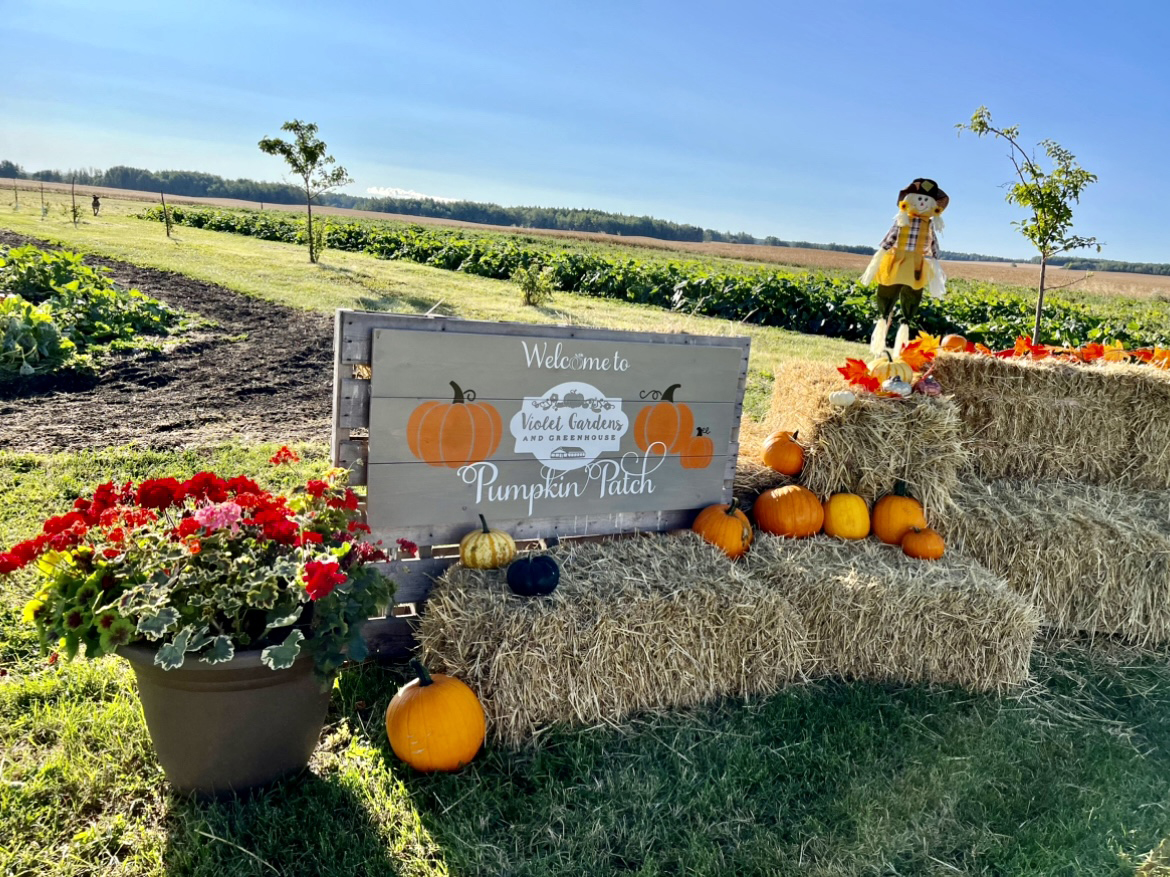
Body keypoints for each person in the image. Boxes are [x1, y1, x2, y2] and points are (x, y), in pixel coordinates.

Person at [860, 179, 948, 354]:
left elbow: (933, 243)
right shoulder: (902, 219)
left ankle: (904, 327)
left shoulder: (928, 224)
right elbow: (891, 237)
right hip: (897, 260)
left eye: (926, 201)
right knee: (888, 291)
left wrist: (935, 259)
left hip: (916, 263)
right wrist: (881, 253)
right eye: (919, 199)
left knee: (911, 293)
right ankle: (883, 321)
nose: (922, 204)